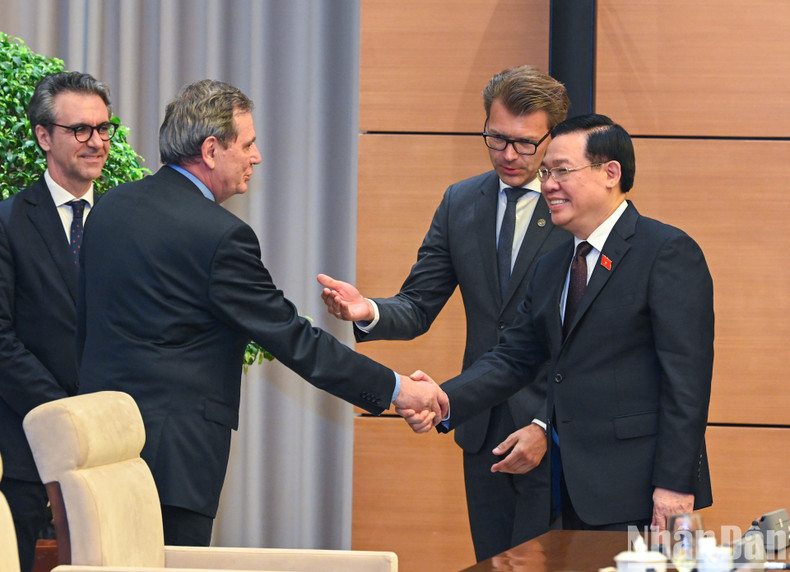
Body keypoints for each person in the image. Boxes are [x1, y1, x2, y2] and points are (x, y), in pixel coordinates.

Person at [76, 79, 447, 546]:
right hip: (175, 462)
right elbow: (292, 338)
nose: (257, 157)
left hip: (103, 446)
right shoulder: (219, 235)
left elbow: (84, 327)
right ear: (211, 150)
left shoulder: (109, 207)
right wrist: (396, 389)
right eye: (248, 144)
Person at [405, 113, 714, 532]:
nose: (548, 184)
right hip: (559, 491)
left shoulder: (666, 252)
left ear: (610, 173)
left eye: (562, 171)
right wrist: (443, 398)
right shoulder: (553, 266)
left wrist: (675, 485)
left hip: (637, 493)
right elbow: (512, 358)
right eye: (546, 172)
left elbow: (687, 384)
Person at [318, 65, 570, 560]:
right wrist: (366, 308)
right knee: (493, 561)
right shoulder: (462, 202)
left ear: (553, 138)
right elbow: (418, 304)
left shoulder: (575, 208)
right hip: (481, 423)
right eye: (495, 139)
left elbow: (594, 337)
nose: (509, 155)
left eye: (525, 143)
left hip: (555, 429)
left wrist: (547, 425)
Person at [0, 71, 116, 572]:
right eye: (81, 130)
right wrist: (66, 415)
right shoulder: (7, 221)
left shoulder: (122, 220)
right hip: (26, 443)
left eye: (104, 128)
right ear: (45, 136)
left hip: (109, 451)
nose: (96, 142)